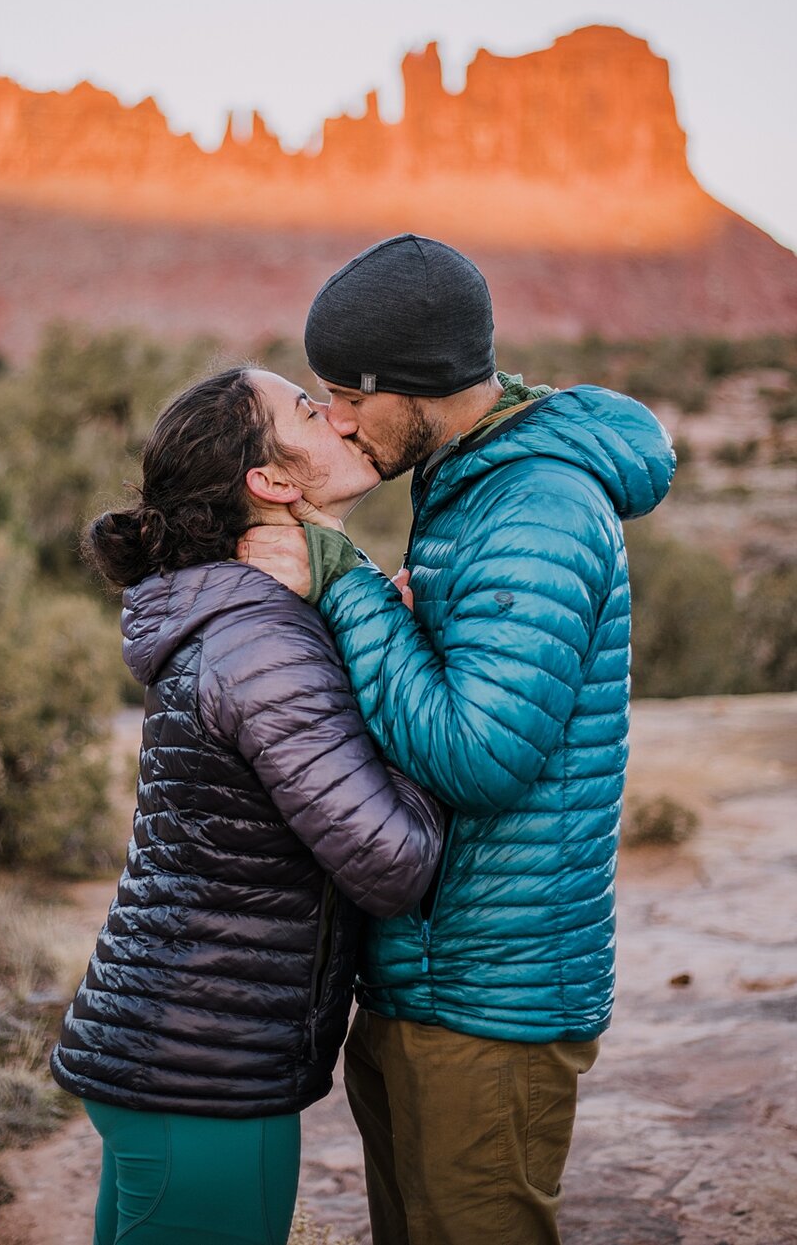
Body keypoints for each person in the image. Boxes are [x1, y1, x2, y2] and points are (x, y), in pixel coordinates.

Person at [238, 232, 677, 1245]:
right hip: (426, 976)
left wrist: (346, 584)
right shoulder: (471, 483)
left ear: (420, 386)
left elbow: (479, 754)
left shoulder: (537, 505)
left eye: (347, 397)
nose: (337, 423)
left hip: (493, 998)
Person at [50, 365, 443, 1245]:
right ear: (268, 482)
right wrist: (428, 714)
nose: (337, 418)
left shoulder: (252, 620)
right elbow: (392, 860)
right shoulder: (263, 643)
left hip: (178, 1055)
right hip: (205, 1074)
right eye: (307, 410)